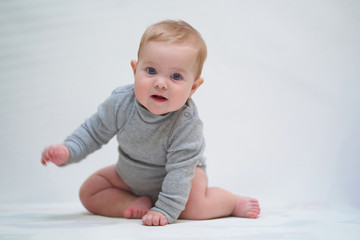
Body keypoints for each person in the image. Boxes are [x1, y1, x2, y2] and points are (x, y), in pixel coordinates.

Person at [41, 20, 260, 226]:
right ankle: (131, 204)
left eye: (175, 77)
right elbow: (93, 132)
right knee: (89, 191)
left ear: (193, 87)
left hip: (183, 180)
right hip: (129, 177)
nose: (160, 83)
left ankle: (232, 202)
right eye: (151, 71)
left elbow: (180, 172)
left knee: (194, 208)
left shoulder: (186, 123)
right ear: (135, 70)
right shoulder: (121, 103)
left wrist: (165, 210)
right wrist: (69, 150)